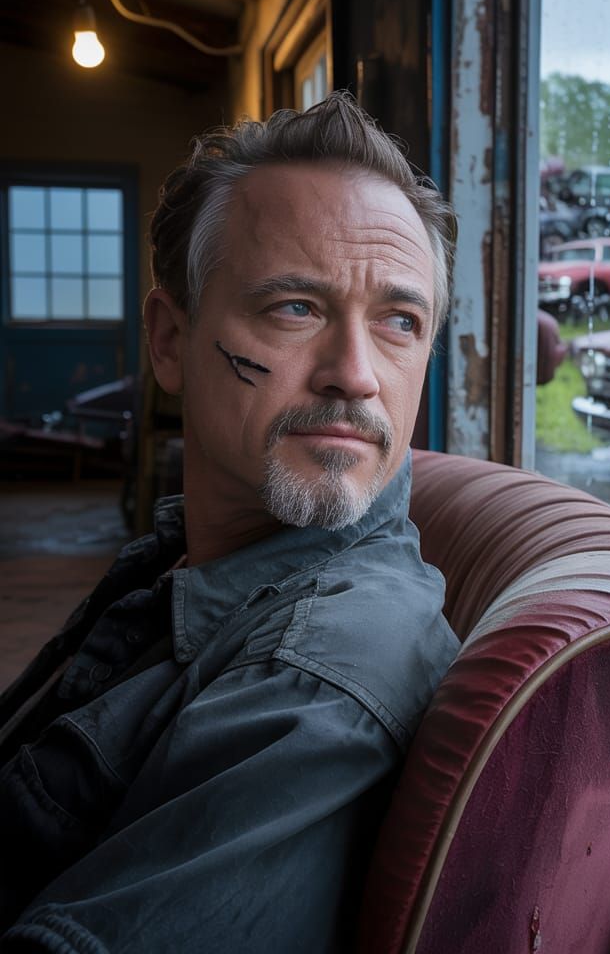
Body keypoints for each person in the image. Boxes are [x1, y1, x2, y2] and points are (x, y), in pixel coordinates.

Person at [0, 92, 460, 952]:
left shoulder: (317, 682)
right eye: (296, 308)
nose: (355, 376)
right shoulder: (181, 559)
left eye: (400, 322)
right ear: (170, 340)